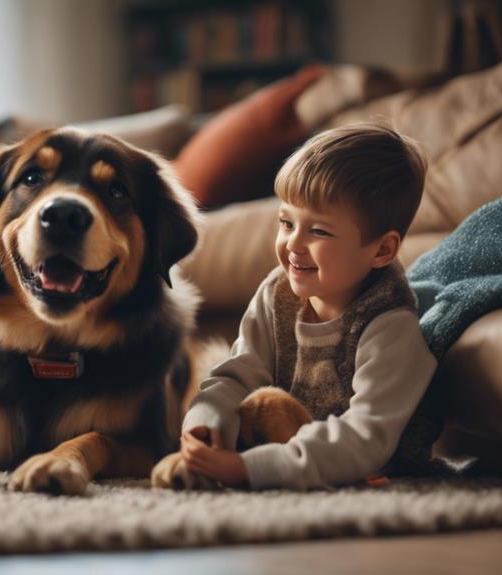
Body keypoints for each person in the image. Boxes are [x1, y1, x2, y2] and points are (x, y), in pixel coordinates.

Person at [172, 123, 435, 490]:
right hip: (285, 447)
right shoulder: (275, 294)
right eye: (286, 222)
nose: (293, 244)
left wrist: (248, 469)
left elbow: (364, 439)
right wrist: (203, 426)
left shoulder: (389, 327)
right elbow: (234, 377)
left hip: (369, 472)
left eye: (319, 231)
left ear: (382, 250)